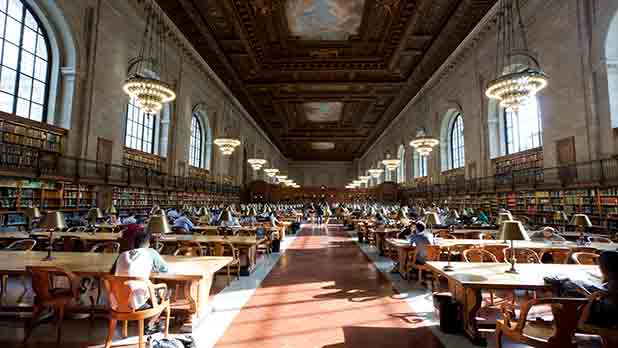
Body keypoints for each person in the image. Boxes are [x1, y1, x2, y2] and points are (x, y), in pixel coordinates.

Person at [110, 229, 169, 333]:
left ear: (133, 243)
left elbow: (112, 273)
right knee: (166, 293)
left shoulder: (122, 254)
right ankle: (150, 325)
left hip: (117, 302)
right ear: (149, 243)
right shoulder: (150, 252)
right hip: (138, 303)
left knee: (142, 289)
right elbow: (165, 269)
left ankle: (127, 319)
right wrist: (152, 267)